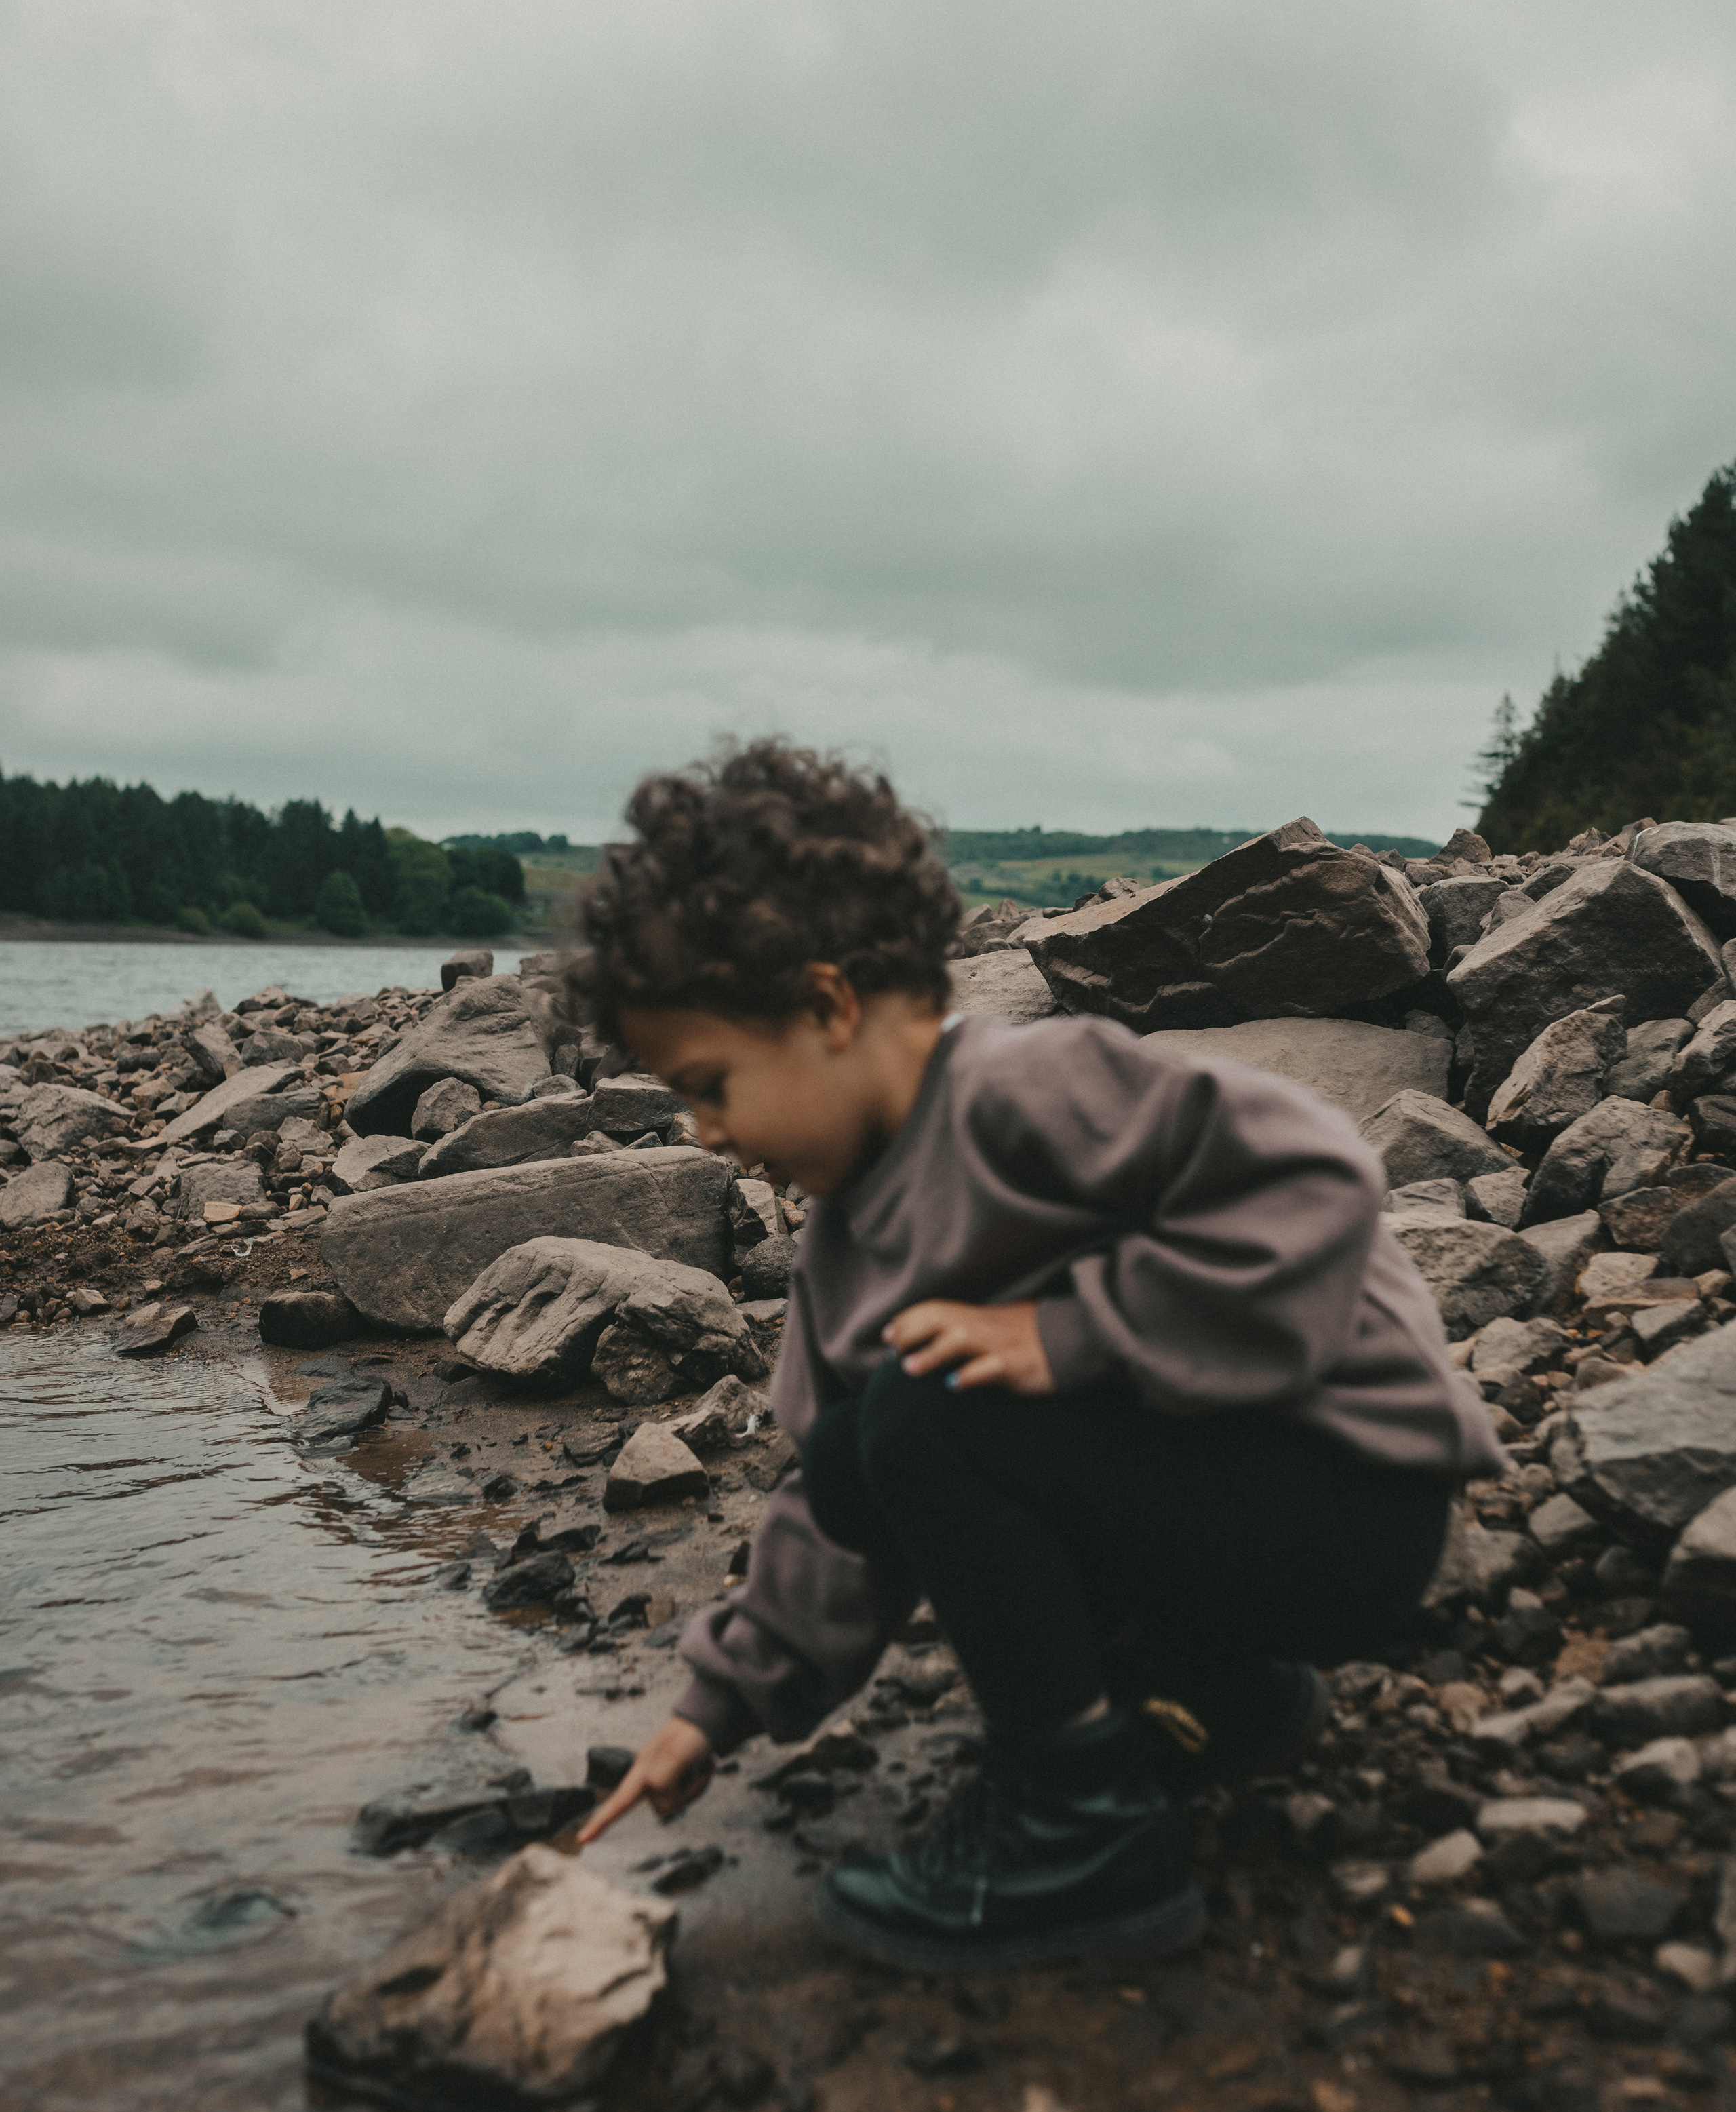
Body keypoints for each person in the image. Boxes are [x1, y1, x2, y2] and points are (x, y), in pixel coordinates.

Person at [572, 741, 1501, 1974]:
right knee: (857, 1450)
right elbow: (832, 1513)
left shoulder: (1031, 1088)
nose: (702, 1133)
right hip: (1218, 1521)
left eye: (711, 1084)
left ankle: (1081, 1828)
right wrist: (716, 1707)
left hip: (1348, 1496)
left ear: (829, 1007)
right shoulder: (841, 1251)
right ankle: (1216, 1699)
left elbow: (1319, 1178)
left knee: (924, 1416)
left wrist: (1073, 1332)